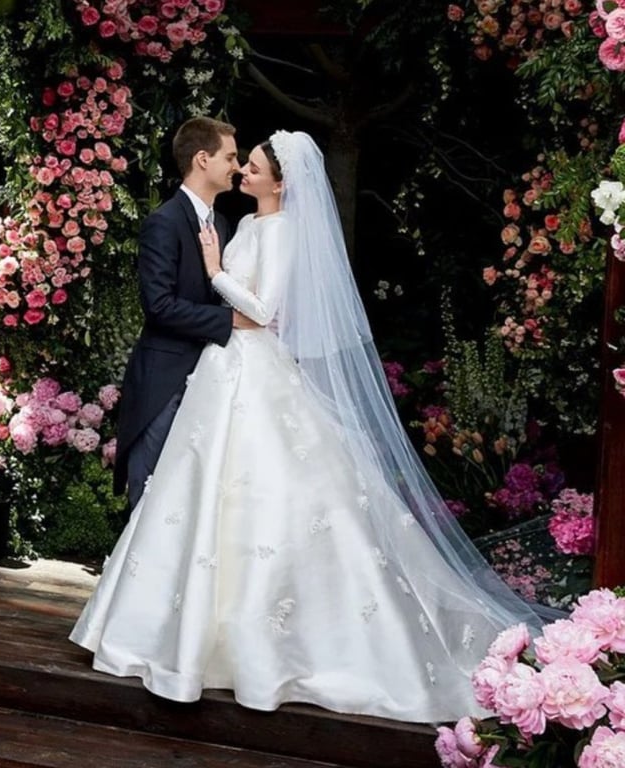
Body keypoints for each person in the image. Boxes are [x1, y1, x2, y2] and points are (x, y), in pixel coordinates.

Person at [71, 130, 552, 723]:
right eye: (236, 161)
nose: (241, 170)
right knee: (196, 496)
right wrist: (226, 289)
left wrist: (218, 274)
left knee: (274, 495)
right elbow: (199, 306)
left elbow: (264, 311)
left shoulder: (282, 231)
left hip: (251, 366)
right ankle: (183, 633)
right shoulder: (238, 224)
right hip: (222, 369)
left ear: (280, 181)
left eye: (250, 165)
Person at [113, 116, 257, 512]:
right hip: (165, 380)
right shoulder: (164, 222)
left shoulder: (225, 224)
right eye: (230, 157)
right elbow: (158, 306)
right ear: (202, 159)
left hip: (213, 378)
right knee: (150, 495)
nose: (237, 166)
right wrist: (228, 321)